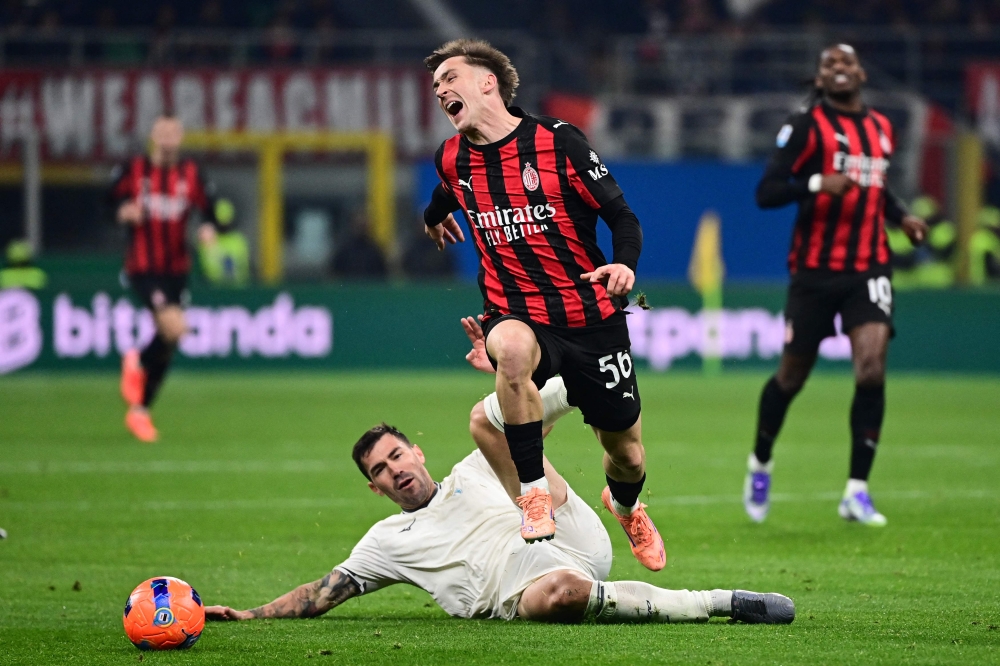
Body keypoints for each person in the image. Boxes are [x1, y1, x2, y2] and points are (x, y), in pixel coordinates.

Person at [205, 400, 795, 626]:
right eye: (380, 472)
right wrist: (250, 616)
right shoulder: (387, 540)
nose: (395, 470)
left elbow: (518, 431)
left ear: (417, 451)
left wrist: (510, 380)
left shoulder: (468, 469)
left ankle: (622, 496)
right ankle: (718, 603)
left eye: (396, 455)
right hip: (529, 586)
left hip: (570, 534)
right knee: (562, 594)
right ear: (376, 490)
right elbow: (323, 592)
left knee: (502, 432)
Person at [421, 39, 663, 571]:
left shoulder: (559, 143)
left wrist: (624, 265)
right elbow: (444, 193)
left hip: (590, 318)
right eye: (436, 85)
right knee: (507, 348)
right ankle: (533, 495)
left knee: (627, 453)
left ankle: (625, 507)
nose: (440, 90)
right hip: (518, 313)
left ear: (488, 82)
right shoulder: (451, 157)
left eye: (450, 78)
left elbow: (623, 217)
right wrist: (432, 216)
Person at [745, 44, 928, 526]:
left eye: (846, 62)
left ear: (861, 73)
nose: (838, 69)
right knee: (791, 379)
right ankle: (760, 461)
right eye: (829, 64)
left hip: (869, 267)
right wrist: (814, 184)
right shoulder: (806, 127)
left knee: (870, 370)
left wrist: (902, 216)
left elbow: (876, 186)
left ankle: (856, 491)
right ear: (820, 78)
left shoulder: (882, 128)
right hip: (813, 272)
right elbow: (767, 192)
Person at [110, 114, 220, 443]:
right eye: (163, 132)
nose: (169, 138)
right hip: (144, 267)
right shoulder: (134, 170)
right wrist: (122, 212)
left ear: (181, 136)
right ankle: (135, 361)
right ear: (153, 136)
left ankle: (140, 410)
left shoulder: (191, 174)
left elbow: (212, 209)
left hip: (177, 269)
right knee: (175, 326)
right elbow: (107, 201)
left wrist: (209, 226)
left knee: (170, 342)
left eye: (174, 132)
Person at [197, 198, 251, 287]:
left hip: (236, 289)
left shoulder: (239, 240)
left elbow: (241, 269)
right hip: (211, 290)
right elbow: (201, 268)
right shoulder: (207, 238)